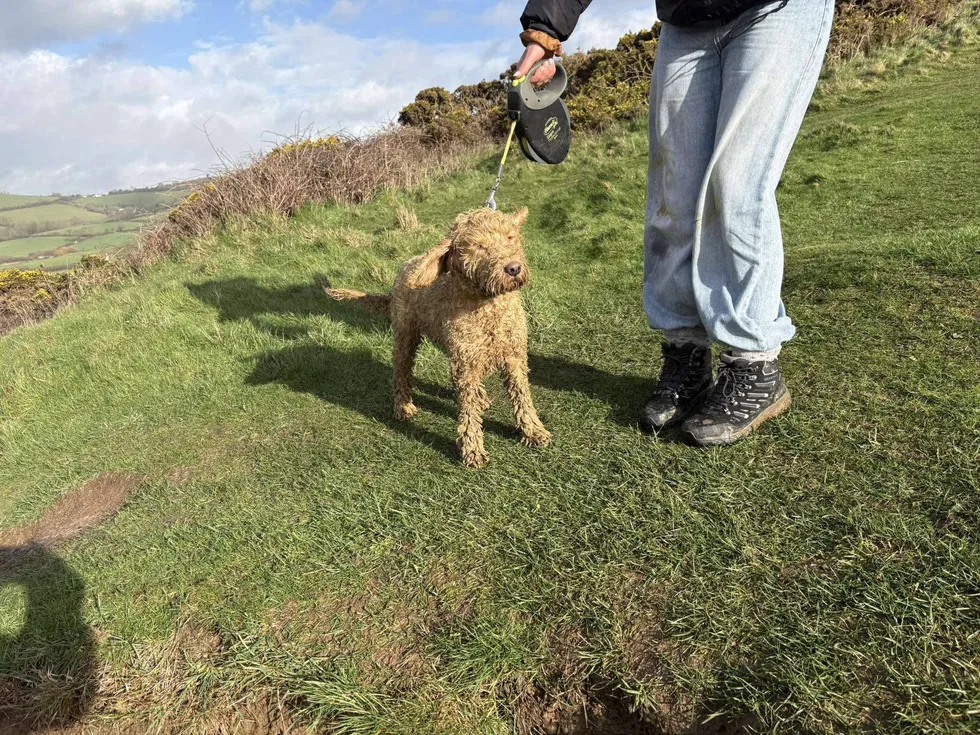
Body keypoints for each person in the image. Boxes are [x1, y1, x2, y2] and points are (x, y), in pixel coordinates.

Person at [514, 0, 834, 446]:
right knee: (673, 193)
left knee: (736, 183)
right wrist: (544, 33)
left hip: (776, 10)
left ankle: (754, 364)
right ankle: (686, 355)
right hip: (685, 23)